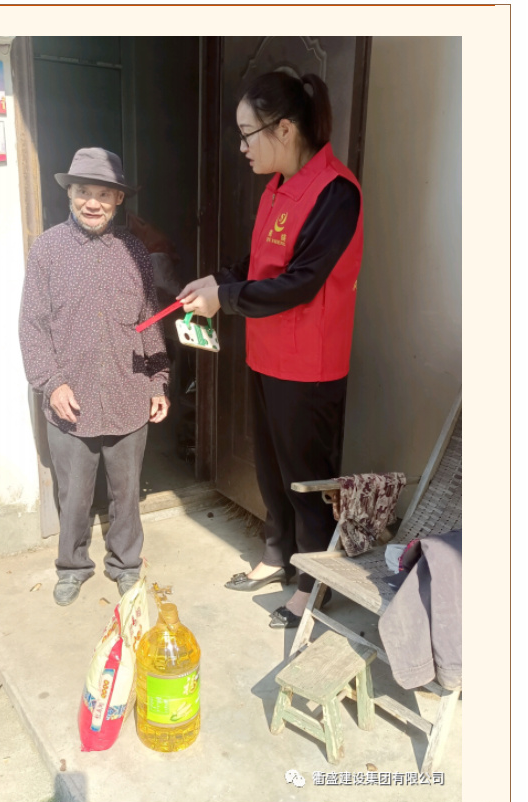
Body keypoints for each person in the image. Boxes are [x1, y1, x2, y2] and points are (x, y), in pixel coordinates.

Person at [178, 72, 363, 629]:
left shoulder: (336, 192)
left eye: (247, 133)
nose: (242, 147)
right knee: (270, 466)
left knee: (305, 480)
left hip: (309, 366)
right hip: (267, 355)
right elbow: (259, 263)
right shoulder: (279, 186)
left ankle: (312, 583)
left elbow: (301, 282)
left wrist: (227, 299)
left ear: (284, 129)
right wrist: (217, 280)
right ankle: (278, 552)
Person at [19, 147, 170, 607]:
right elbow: (31, 324)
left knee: (127, 491)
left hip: (128, 392)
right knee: (75, 494)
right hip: (70, 398)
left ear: (118, 199)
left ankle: (125, 563)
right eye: (83, 191)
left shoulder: (134, 251)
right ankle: (72, 566)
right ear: (69, 193)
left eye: (103, 194)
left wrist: (158, 381)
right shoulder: (47, 249)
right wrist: (52, 382)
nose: (92, 202)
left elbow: (148, 320)